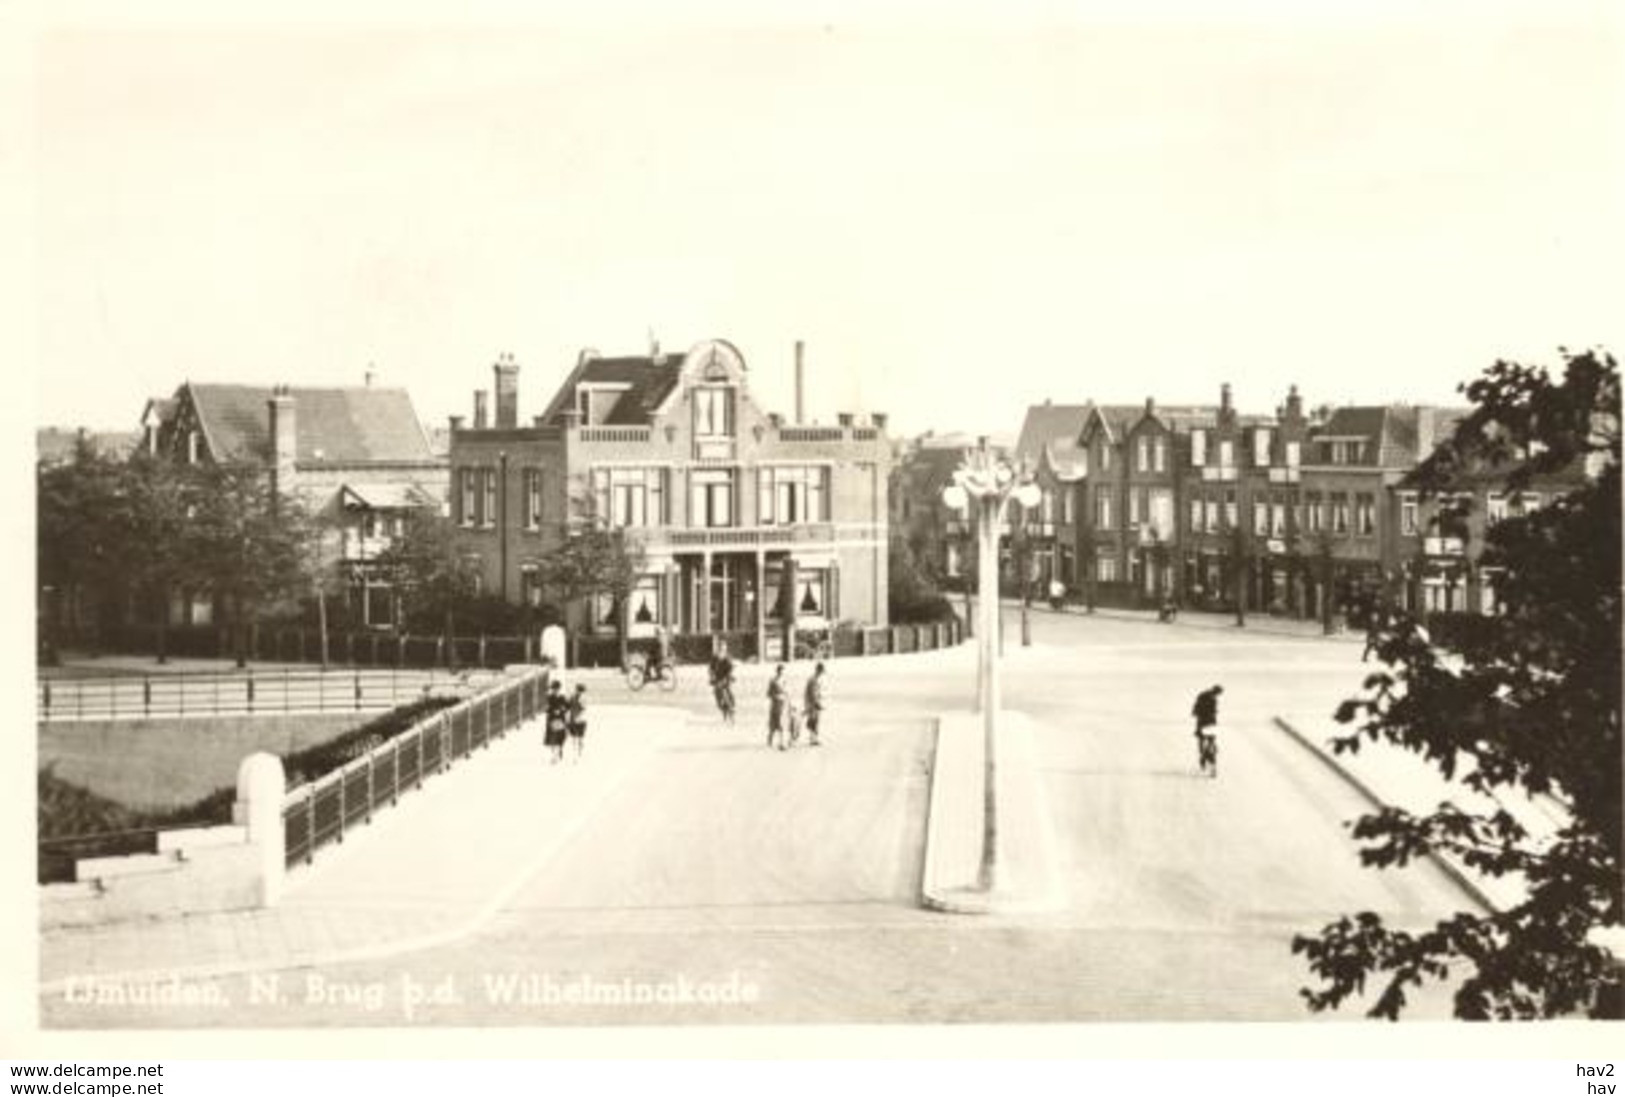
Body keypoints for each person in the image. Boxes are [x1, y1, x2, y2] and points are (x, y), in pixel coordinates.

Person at [1191, 684, 1223, 777]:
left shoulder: (1203, 695)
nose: (1217, 695)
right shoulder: (1209, 698)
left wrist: (1196, 713)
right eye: (1218, 693)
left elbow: (1195, 709)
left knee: (1203, 741)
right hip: (1208, 723)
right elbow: (1198, 708)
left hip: (1204, 722)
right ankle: (1206, 758)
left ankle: (1204, 757)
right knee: (1209, 741)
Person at [708, 642, 736, 724]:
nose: (722, 651)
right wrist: (712, 676)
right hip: (717, 678)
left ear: (726, 650)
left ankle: (732, 707)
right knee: (717, 696)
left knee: (729, 691)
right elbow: (711, 668)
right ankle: (722, 708)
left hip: (725, 678)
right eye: (721, 649)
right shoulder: (714, 658)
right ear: (718, 649)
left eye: (724, 649)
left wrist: (730, 676)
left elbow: (731, 668)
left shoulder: (728, 658)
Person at [544, 680, 569, 764]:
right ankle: (554, 756)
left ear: (559, 689)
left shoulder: (562, 698)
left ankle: (559, 751)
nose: (554, 690)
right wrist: (552, 711)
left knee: (560, 738)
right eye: (553, 689)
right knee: (552, 739)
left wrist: (561, 710)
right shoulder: (549, 698)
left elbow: (567, 707)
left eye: (556, 688)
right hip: (552, 719)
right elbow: (546, 709)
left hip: (561, 720)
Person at [803, 661, 827, 747]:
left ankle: (813, 738)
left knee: (815, 721)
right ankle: (813, 739)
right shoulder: (813, 679)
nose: (821, 674)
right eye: (821, 671)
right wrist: (817, 704)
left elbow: (815, 692)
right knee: (813, 721)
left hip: (814, 703)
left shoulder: (815, 679)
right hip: (812, 704)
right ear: (818, 670)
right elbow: (812, 694)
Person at [766, 664, 788, 750]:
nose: (781, 673)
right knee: (773, 724)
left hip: (783, 704)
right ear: (777, 671)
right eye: (780, 671)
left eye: (782, 671)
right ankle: (770, 740)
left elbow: (787, 693)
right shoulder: (773, 681)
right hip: (775, 705)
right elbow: (768, 694)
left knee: (781, 724)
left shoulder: (784, 681)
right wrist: (775, 696)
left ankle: (781, 743)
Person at [567, 683, 588, 762]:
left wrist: (577, 716)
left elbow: (584, 709)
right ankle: (576, 754)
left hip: (580, 720)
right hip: (575, 719)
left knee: (580, 738)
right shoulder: (572, 697)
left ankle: (579, 752)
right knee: (575, 738)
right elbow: (568, 707)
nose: (578, 692)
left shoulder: (582, 699)